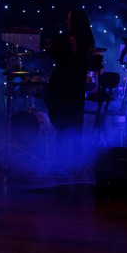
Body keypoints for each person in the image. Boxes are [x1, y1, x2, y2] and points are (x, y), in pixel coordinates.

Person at [44, 9, 95, 162]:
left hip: (73, 84)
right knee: (59, 114)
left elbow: (85, 61)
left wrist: (76, 50)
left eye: (70, 19)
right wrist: (50, 49)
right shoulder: (68, 35)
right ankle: (62, 157)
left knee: (72, 117)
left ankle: (74, 157)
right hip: (60, 80)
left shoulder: (86, 37)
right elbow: (60, 56)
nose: (67, 22)